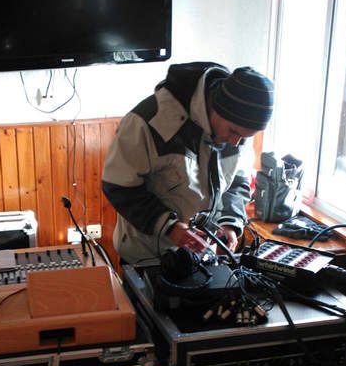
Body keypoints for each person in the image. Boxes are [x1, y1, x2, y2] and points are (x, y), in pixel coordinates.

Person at [101, 62, 274, 264]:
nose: (236, 142)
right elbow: (118, 186)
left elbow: (237, 182)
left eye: (245, 137)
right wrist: (169, 227)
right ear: (216, 107)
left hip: (200, 257)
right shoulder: (149, 121)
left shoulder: (239, 126)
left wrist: (230, 223)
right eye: (234, 132)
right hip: (146, 257)